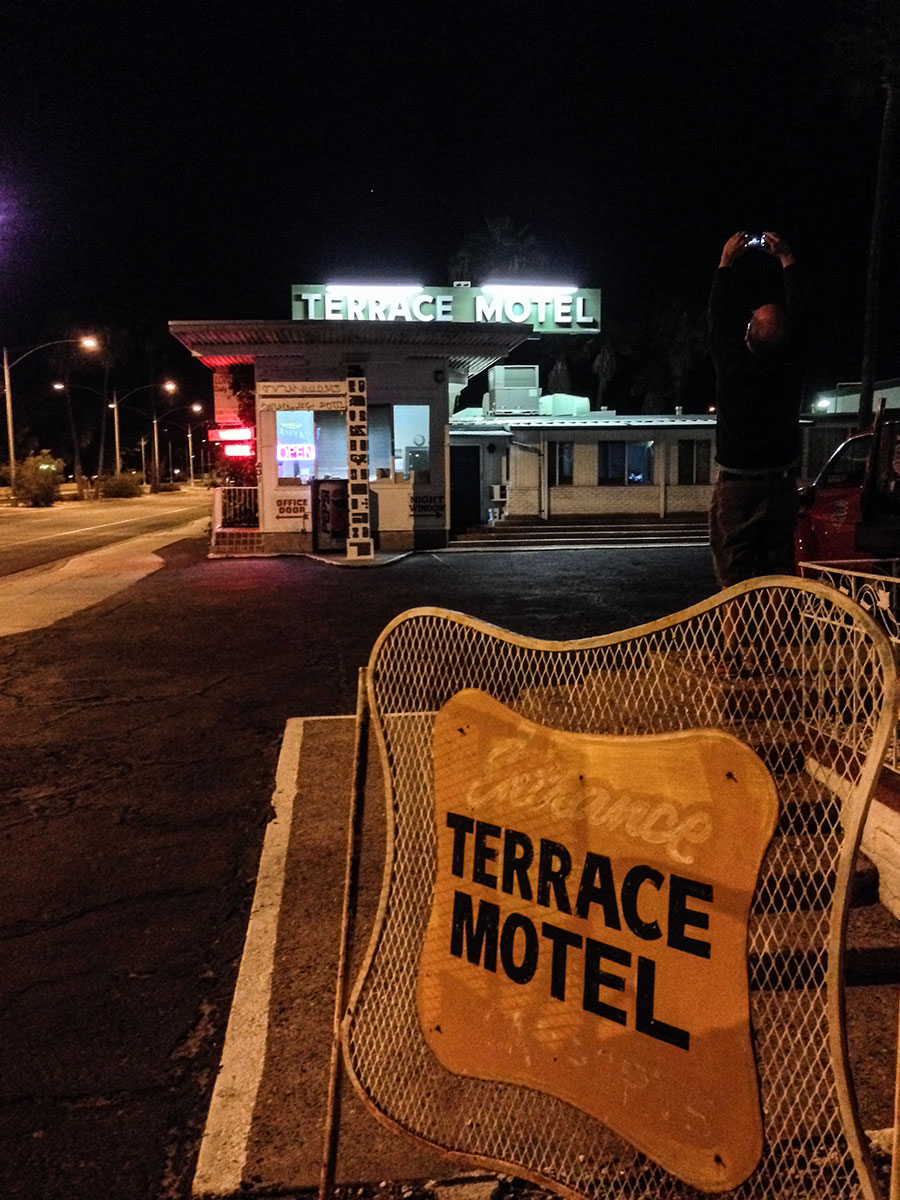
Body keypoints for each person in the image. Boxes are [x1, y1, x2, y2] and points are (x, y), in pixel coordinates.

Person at [708, 230, 805, 671]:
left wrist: (727, 262)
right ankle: (769, 652)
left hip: (737, 486)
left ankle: (733, 653)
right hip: (781, 483)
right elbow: (800, 316)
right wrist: (786, 259)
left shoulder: (731, 362)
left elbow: (717, 316)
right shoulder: (791, 365)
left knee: (733, 568)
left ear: (748, 333)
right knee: (774, 568)